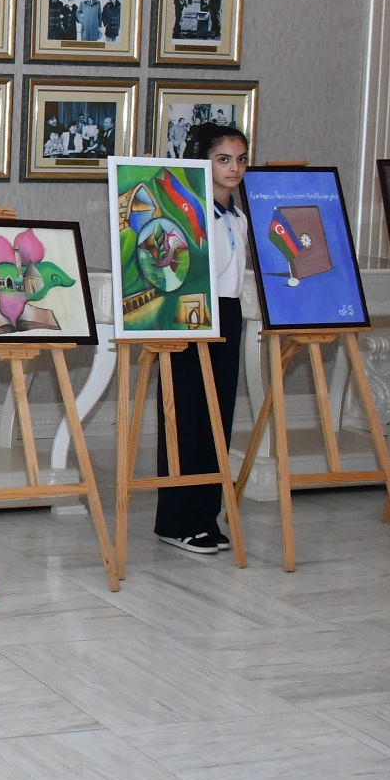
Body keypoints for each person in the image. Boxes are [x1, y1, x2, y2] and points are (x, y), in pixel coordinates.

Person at [154, 122, 250, 554]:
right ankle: (176, 520)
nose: (234, 168)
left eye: (241, 159)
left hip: (228, 314)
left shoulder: (239, 217)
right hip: (191, 312)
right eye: (223, 159)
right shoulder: (190, 215)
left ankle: (206, 515)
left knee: (217, 415)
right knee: (186, 414)